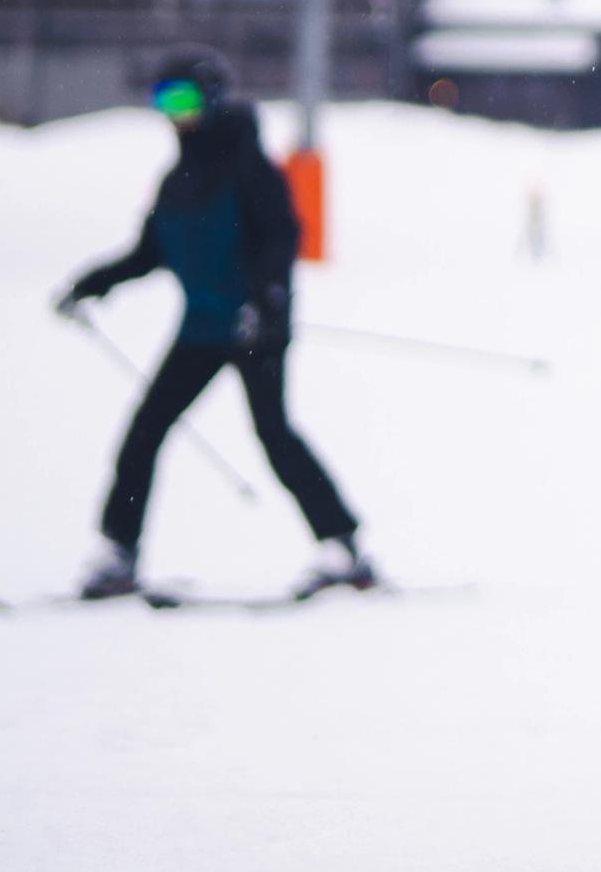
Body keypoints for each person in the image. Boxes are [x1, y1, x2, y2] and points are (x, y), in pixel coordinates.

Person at [54, 50, 373, 602]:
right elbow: (150, 251)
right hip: (201, 330)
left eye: (184, 101)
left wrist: (267, 303)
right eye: (164, 102)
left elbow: (282, 236)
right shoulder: (175, 179)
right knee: (145, 432)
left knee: (274, 435)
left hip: (255, 330)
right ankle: (118, 552)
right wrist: (93, 282)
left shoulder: (249, 165)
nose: (175, 115)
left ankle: (343, 546)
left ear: (214, 99)